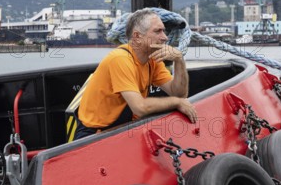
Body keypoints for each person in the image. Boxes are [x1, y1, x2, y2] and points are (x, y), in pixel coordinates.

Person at [74, 8, 197, 139]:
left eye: (164, 31)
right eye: (158, 31)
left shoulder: (152, 60)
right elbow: (140, 107)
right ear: (137, 36)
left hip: (122, 129)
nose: (165, 37)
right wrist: (176, 102)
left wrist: (179, 60)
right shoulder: (120, 59)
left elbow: (179, 93)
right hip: (94, 135)